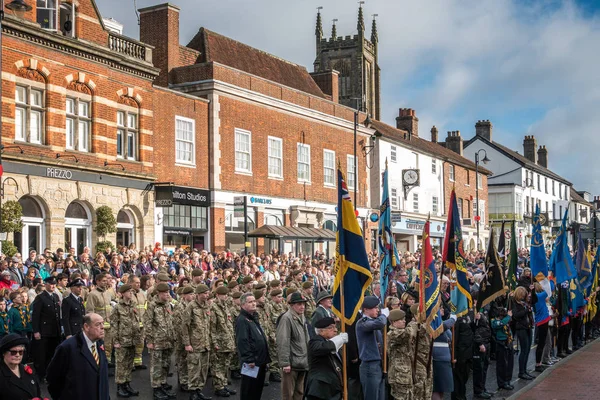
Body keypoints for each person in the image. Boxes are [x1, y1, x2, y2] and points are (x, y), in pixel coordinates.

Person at [46, 313, 110, 400]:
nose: (103, 327)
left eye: (103, 323)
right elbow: (53, 379)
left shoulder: (99, 344)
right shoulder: (67, 347)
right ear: (86, 327)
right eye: (98, 324)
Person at [143, 282, 176, 400]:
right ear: (158, 293)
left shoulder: (168, 304)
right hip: (157, 340)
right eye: (165, 292)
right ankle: (156, 389)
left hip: (168, 340)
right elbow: (148, 323)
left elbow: (171, 321)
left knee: (166, 364)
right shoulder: (152, 305)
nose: (168, 294)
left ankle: (162, 384)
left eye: (168, 292)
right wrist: (150, 340)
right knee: (156, 366)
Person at [277, 291, 310, 400]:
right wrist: (285, 363)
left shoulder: (301, 316)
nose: (302, 307)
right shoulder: (287, 318)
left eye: (303, 304)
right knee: (288, 394)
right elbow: (283, 341)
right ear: (291, 305)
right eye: (299, 304)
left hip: (302, 361)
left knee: (299, 392)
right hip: (292, 363)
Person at [110, 283, 141, 398]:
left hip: (132, 339)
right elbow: (114, 325)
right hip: (122, 340)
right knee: (121, 365)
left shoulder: (133, 304)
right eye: (129, 292)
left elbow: (136, 321)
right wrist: (116, 341)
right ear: (122, 294)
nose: (131, 293)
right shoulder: (117, 307)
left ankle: (127, 385)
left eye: (132, 292)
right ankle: (120, 386)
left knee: (129, 364)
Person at [305, 317, 346, 400]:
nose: (335, 330)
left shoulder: (330, 342)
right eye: (331, 327)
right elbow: (324, 348)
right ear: (321, 331)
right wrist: (339, 339)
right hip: (320, 390)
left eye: (335, 327)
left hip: (333, 390)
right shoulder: (314, 342)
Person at [356, 295, 387, 400]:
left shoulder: (373, 321)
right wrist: (384, 315)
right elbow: (380, 323)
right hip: (369, 365)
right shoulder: (362, 323)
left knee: (380, 396)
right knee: (372, 397)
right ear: (366, 309)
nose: (377, 310)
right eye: (375, 308)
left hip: (378, 364)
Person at [31, 275, 61, 381]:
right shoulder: (40, 297)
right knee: (42, 354)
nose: (53, 286)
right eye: (51, 284)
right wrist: (36, 331)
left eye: (54, 284)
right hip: (44, 330)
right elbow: (35, 316)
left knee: (52, 353)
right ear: (46, 285)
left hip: (54, 329)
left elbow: (57, 314)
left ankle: (50, 373)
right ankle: (41, 374)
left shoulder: (55, 297)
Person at [210, 286, 237, 397]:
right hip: (219, 342)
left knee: (225, 365)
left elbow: (229, 325)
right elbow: (212, 327)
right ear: (217, 295)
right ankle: (218, 387)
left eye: (226, 294)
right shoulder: (213, 308)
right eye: (223, 294)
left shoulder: (225, 307)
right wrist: (214, 343)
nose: (225, 296)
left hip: (227, 341)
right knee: (218, 365)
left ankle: (223, 384)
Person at [0, 333, 41, 400]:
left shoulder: (27, 370)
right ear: (4, 353)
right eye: (13, 352)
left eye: (21, 352)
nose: (18, 355)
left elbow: (37, 394)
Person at [387, 309, 415, 400]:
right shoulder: (393, 334)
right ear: (394, 322)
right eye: (401, 319)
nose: (404, 321)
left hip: (406, 374)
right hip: (399, 376)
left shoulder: (400, 331)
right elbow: (407, 334)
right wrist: (414, 322)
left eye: (404, 319)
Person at [513, 286, 535, 380]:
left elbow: (534, 300)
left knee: (527, 350)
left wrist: (532, 290)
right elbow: (516, 315)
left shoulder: (524, 303)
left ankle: (525, 370)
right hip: (521, 328)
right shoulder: (515, 304)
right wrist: (526, 311)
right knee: (524, 350)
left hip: (528, 326)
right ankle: (521, 372)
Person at [491, 308, 514, 391]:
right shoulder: (494, 321)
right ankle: (502, 382)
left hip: (508, 341)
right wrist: (508, 317)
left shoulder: (505, 320)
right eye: (501, 316)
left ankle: (507, 380)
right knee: (502, 364)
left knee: (509, 363)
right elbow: (500, 324)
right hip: (500, 343)